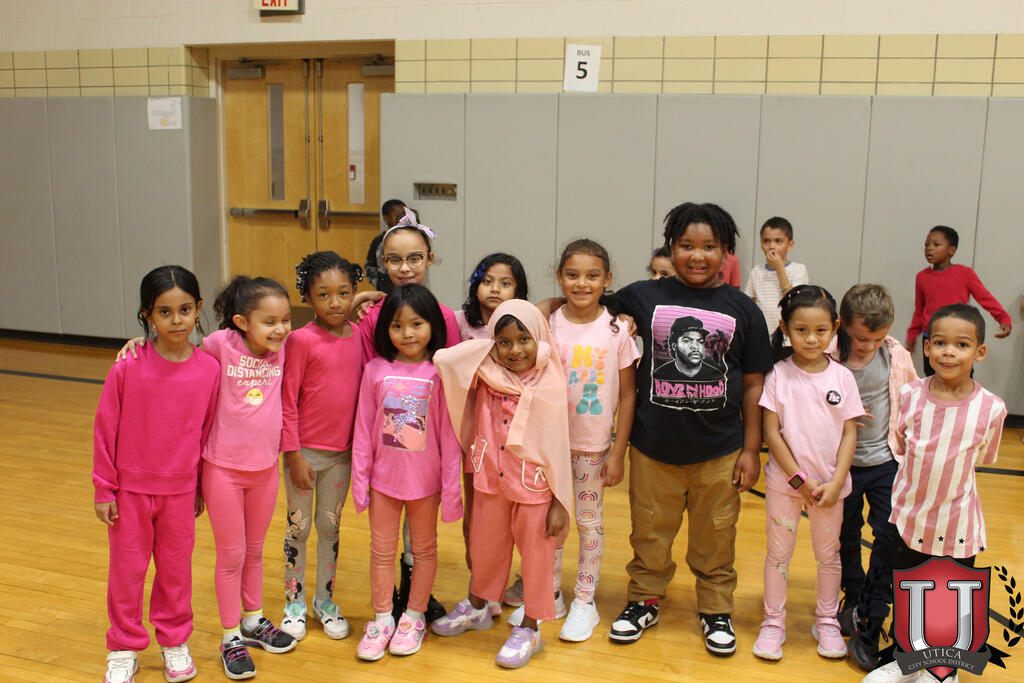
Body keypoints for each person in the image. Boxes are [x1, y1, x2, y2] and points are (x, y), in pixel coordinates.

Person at [611, 202, 772, 655]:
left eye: (709, 247)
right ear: (671, 247)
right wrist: (543, 307)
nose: (697, 256)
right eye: (686, 246)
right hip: (653, 448)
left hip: (720, 450)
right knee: (649, 531)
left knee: (716, 534)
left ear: (725, 252)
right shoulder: (643, 296)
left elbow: (754, 385)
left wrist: (751, 450)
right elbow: (583, 306)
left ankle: (716, 608)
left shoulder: (744, 310)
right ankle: (644, 599)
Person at [864, 304, 1006, 683]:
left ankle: (943, 670)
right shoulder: (909, 395)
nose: (948, 352)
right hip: (910, 517)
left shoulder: (991, 409)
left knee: (948, 600)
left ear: (979, 352)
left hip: (956, 522)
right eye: (940, 343)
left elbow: (984, 456)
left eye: (961, 344)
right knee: (909, 591)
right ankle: (905, 661)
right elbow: (900, 443)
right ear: (926, 348)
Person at [94, 266, 220, 683]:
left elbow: (205, 432)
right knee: (126, 574)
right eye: (164, 312)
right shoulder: (128, 365)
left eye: (185, 309)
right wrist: (104, 488)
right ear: (147, 315)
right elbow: (105, 428)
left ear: (198, 309)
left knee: (175, 573)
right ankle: (123, 646)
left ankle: (174, 641)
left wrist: (199, 486)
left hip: (180, 493)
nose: (176, 320)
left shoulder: (209, 369)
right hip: (129, 492)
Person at [431, 300, 573, 669]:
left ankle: (531, 627)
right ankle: (479, 605)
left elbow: (559, 448)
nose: (515, 350)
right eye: (504, 341)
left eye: (524, 339)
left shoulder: (550, 382)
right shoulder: (486, 370)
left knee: (537, 560)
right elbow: (445, 359)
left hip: (535, 489)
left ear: (540, 339)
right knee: (485, 549)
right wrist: (486, 346)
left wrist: (560, 502)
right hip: (490, 479)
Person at [351, 207, 460, 622]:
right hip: (385, 450)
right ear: (383, 262)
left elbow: (449, 381)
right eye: (395, 259)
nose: (405, 267)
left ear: (430, 259)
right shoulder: (371, 316)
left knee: (420, 534)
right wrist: (358, 301)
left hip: (425, 454)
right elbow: (369, 373)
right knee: (383, 534)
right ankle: (389, 602)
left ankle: (416, 597)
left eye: (415, 258)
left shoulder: (444, 317)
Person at [530, 239, 640, 642]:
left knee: (589, 523)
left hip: (593, 446)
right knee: (549, 523)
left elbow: (628, 394)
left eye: (592, 276)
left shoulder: (617, 330)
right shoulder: (546, 323)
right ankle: (550, 595)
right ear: (559, 277)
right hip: (549, 445)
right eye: (572, 275)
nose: (582, 283)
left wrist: (618, 451)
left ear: (607, 279)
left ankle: (585, 600)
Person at [753, 285, 864, 662]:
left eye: (820, 330)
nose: (811, 339)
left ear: (835, 328)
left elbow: (850, 433)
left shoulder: (843, 378)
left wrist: (836, 482)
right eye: (801, 330)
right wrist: (799, 480)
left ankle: (827, 620)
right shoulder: (778, 375)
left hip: (830, 490)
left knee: (829, 556)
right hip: (786, 487)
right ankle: (773, 621)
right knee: (778, 555)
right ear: (785, 328)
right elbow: (772, 433)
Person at [203, 276, 298, 679]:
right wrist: (141, 343)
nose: (280, 329)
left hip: (265, 470)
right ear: (242, 322)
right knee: (232, 556)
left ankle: (253, 620)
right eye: (269, 322)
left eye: (286, 320)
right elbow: (176, 351)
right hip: (222, 469)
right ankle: (230, 639)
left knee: (256, 551)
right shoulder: (219, 344)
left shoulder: (285, 348)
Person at [278, 252, 365, 642]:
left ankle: (325, 602)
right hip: (304, 456)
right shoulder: (300, 340)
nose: (335, 302)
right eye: (324, 294)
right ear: (308, 298)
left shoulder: (360, 336)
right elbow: (287, 401)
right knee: (298, 529)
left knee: (330, 528)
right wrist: (293, 453)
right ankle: (293, 604)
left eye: (344, 293)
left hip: (341, 456)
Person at [830, 284, 918, 672]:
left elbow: (913, 398)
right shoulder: (828, 356)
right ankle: (853, 592)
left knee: (888, 534)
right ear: (842, 326)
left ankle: (873, 604)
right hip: (840, 465)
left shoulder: (895, 354)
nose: (868, 346)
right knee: (845, 534)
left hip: (885, 462)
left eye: (877, 338)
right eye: (861, 338)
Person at [905, 225, 1011, 376]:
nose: (929, 248)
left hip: (960, 337)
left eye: (936, 244)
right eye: (926, 244)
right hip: (933, 337)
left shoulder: (965, 274)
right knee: (932, 376)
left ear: (951, 250)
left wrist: (1003, 319)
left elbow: (985, 298)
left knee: (962, 375)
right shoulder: (922, 277)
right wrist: (911, 337)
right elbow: (919, 311)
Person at [743, 216, 809, 339]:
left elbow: (795, 302)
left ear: (790, 245)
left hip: (789, 337)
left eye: (778, 241)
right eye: (766, 241)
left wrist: (779, 268)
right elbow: (747, 304)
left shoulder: (799, 269)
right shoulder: (756, 271)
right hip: (762, 334)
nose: (771, 246)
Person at [455, 252, 529, 341]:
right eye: (487, 281)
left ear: (517, 293)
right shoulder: (457, 321)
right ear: (476, 288)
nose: (495, 289)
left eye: (505, 283)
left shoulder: (527, 325)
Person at [364, 198, 408, 292]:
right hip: (385, 291)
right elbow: (370, 266)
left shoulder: (410, 239)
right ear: (386, 218)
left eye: (405, 215)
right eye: (398, 216)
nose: (403, 219)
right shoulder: (379, 241)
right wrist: (379, 283)